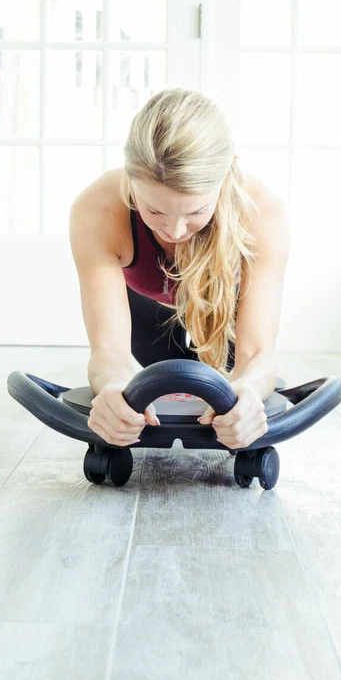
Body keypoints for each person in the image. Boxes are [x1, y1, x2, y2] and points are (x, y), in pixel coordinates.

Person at [69, 86, 290, 453]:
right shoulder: (97, 208)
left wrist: (248, 391)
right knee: (152, 385)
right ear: (131, 177)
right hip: (145, 310)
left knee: (236, 390)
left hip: (223, 310)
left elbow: (257, 356)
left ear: (224, 179)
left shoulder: (262, 212)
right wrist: (112, 390)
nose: (173, 230)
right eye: (153, 211)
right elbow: (108, 352)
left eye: (195, 212)